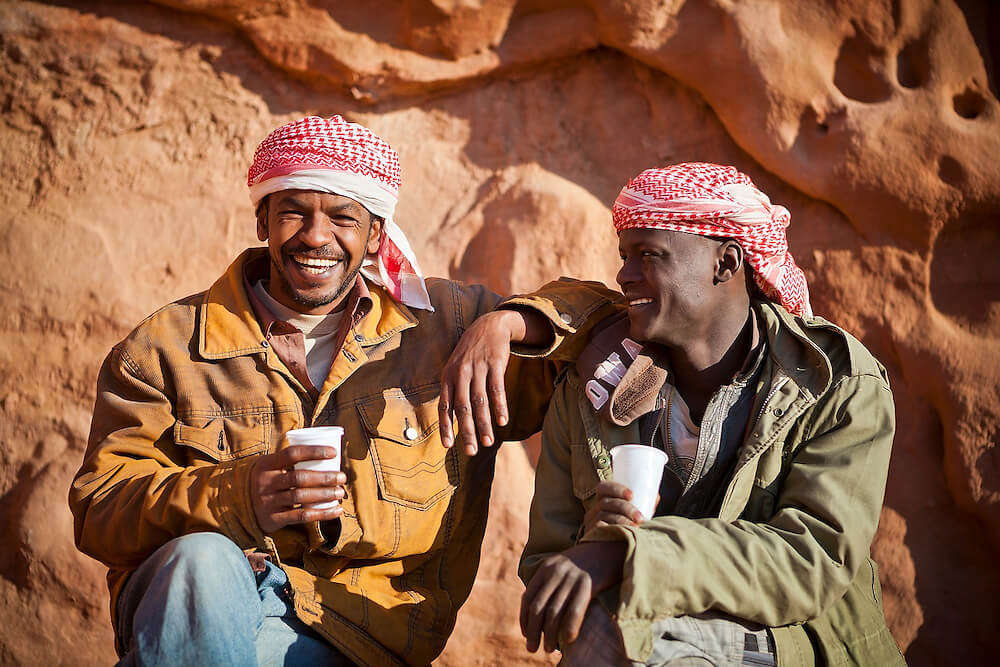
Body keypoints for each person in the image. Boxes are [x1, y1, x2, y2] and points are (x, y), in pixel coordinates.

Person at [68, 115, 616, 666]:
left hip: (354, 635)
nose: (315, 236)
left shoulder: (444, 329)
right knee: (201, 562)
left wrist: (511, 324)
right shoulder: (166, 348)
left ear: (376, 234)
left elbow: (609, 315)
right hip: (200, 614)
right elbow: (98, 509)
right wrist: (240, 494)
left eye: (342, 218)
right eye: (293, 213)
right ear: (262, 220)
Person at [496, 164, 903, 665]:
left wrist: (633, 556)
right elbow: (548, 574)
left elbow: (811, 559)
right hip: (635, 636)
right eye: (624, 256)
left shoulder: (833, 382)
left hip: (794, 645)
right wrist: (596, 540)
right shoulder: (590, 389)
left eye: (649, 255)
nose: (624, 274)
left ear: (725, 263)